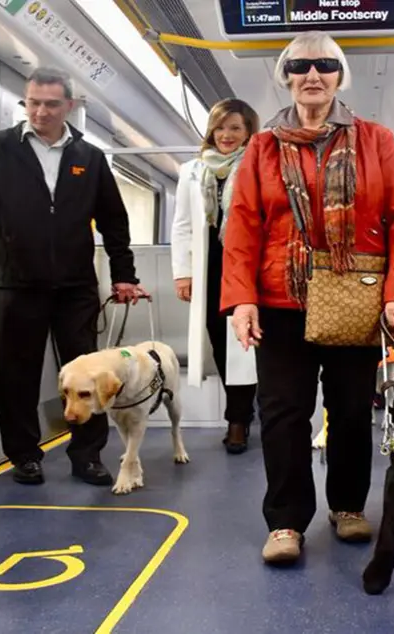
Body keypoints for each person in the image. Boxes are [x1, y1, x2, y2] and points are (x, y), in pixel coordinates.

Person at [221, 31, 394, 565]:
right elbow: (242, 227)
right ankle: (286, 521)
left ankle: (348, 506)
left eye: (325, 65)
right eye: (301, 66)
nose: (313, 75)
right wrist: (241, 300)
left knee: (353, 410)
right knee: (284, 413)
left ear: (340, 76)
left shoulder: (376, 140)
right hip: (279, 301)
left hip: (354, 298)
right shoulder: (262, 148)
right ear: (287, 77)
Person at [0, 67, 147, 487]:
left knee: (88, 378)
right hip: (13, 283)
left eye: (51, 104)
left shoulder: (89, 157)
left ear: (69, 106)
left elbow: (114, 222)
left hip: (75, 287)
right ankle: (24, 456)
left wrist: (124, 275)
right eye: (32, 102)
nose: (40, 112)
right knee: (15, 375)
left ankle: (87, 456)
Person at [171, 98, 260, 454]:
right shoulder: (191, 170)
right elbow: (181, 225)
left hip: (248, 263)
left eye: (235, 128)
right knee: (222, 347)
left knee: (248, 345)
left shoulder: (258, 165)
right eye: (220, 127)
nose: (226, 135)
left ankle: (241, 419)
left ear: (248, 131)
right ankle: (238, 415)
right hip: (210, 264)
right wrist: (183, 273)